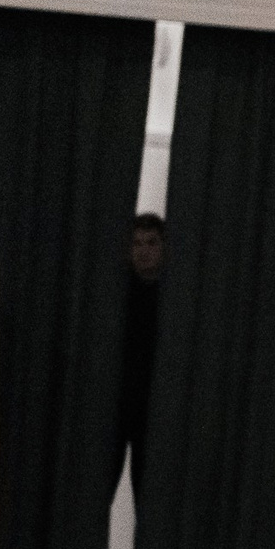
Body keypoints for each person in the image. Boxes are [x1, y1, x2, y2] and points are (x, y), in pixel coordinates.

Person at [112, 213, 164, 500]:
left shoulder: (174, 297)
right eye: (136, 243)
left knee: (149, 496)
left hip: (153, 411)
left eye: (151, 242)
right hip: (117, 406)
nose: (143, 250)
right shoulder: (117, 294)